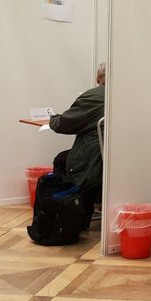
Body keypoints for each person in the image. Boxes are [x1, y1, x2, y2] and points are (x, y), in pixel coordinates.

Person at [48, 63, 105, 213]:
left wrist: (53, 119)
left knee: (61, 159)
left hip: (94, 158)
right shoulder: (129, 96)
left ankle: (70, 209)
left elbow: (62, 125)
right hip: (123, 159)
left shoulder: (92, 97)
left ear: (98, 78)